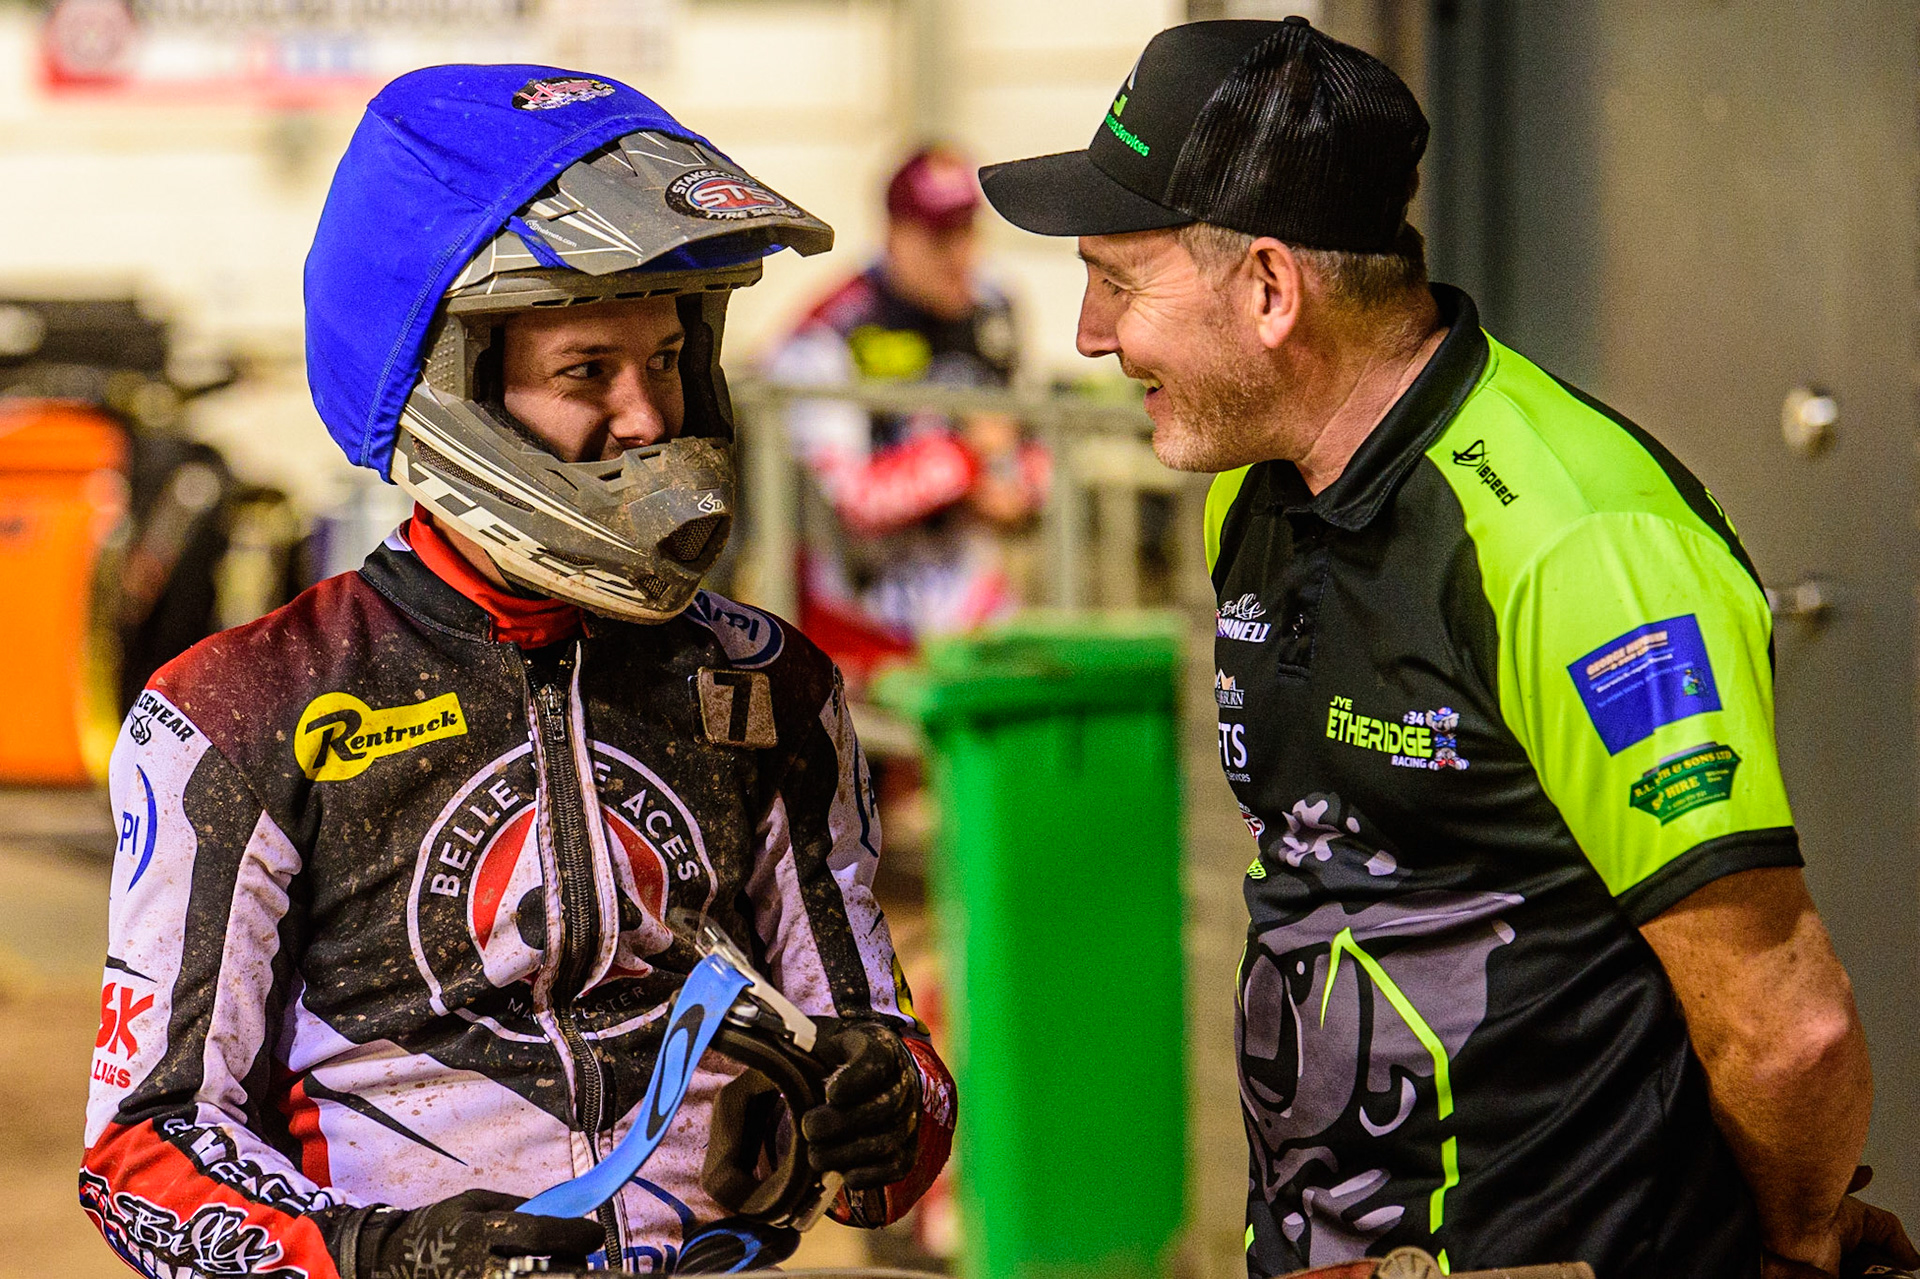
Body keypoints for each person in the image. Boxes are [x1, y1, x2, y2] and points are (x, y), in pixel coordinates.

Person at [979, 18, 1915, 1279]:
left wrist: (1797, 1243)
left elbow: (1785, 1024)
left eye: (1119, 280)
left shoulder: (1578, 540)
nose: (1092, 334)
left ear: (1269, 287)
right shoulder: (1251, 499)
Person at [79, 65, 954, 1279]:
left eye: (666, 359)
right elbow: (144, 1147)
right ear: (450, 383)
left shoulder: (770, 687)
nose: (648, 416)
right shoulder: (241, 712)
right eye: (587, 371)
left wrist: (886, 1103)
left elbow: (888, 1063)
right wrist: (379, 1255)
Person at [768, 145, 1047, 685]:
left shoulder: (993, 309)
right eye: (940, 238)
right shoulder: (829, 332)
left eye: (969, 232)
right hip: (857, 618)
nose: (961, 255)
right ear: (894, 233)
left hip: (972, 610)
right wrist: (966, 461)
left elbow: (1033, 462)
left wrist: (1014, 483)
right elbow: (851, 501)